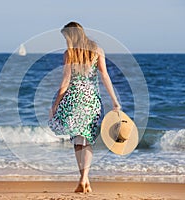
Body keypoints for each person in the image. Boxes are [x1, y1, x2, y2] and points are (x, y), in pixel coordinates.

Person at [48, 21, 121, 193]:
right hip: (91, 102)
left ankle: (83, 179)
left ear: (72, 36)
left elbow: (65, 82)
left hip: (73, 100)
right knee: (87, 139)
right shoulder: (97, 50)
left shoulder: (69, 53)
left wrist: (55, 105)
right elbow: (105, 76)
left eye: (66, 37)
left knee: (77, 140)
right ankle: (84, 179)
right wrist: (114, 101)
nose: (66, 41)